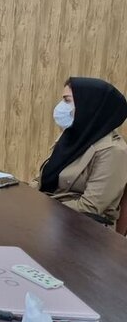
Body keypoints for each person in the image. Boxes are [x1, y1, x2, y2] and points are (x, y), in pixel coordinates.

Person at [33, 77, 127, 226]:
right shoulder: (71, 136)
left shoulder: (113, 151)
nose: (61, 106)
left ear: (89, 105)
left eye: (67, 100)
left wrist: (40, 207)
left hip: (84, 229)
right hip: (51, 216)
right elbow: (41, 180)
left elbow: (90, 207)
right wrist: (21, 192)